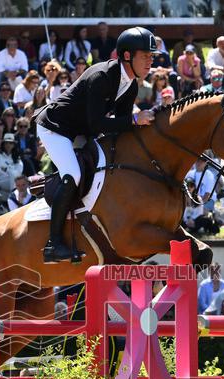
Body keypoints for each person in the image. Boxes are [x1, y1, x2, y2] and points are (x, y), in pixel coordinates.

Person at [33, 27, 155, 263]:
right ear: (127, 56)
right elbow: (99, 122)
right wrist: (134, 120)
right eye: (146, 55)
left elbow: (119, 129)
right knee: (73, 174)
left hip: (80, 130)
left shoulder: (130, 86)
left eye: (152, 56)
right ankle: (53, 244)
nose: (150, 61)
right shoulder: (101, 76)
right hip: (55, 128)